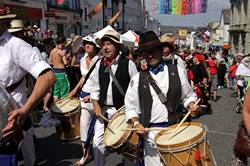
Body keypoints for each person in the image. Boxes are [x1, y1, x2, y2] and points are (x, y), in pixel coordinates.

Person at [124, 31, 199, 166]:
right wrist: (136, 124)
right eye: (146, 52)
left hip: (175, 131)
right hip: (149, 136)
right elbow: (130, 107)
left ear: (160, 50)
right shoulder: (136, 79)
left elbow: (188, 96)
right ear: (142, 55)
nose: (150, 55)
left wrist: (191, 105)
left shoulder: (178, 71)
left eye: (153, 50)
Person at [0, 6, 55, 166]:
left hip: (8, 123)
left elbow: (48, 76)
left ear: (3, 22)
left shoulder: (17, 46)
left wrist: (26, 110)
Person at [86, 29, 138, 166]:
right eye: (103, 44)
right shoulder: (99, 64)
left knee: (127, 144)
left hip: (122, 111)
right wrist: (96, 105)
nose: (105, 47)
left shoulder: (128, 64)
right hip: (103, 109)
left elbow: (135, 90)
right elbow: (94, 87)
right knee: (98, 142)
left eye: (108, 44)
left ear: (116, 45)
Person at [67, 34, 100, 166]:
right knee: (84, 127)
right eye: (86, 42)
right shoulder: (82, 59)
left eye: (90, 43)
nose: (87, 45)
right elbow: (83, 77)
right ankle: (85, 156)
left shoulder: (100, 60)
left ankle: (99, 157)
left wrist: (92, 96)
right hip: (84, 96)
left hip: (97, 98)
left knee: (99, 133)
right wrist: (74, 90)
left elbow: (104, 82)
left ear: (96, 47)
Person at [49, 35, 70, 102]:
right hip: (62, 73)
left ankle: (56, 109)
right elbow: (65, 63)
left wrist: (57, 62)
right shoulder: (61, 51)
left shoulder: (52, 51)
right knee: (64, 91)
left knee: (56, 92)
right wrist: (67, 58)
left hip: (54, 72)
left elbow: (50, 62)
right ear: (63, 42)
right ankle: (64, 108)